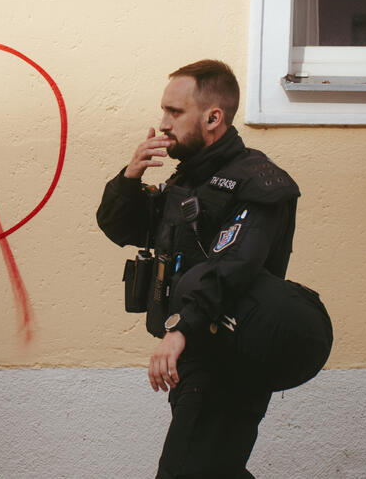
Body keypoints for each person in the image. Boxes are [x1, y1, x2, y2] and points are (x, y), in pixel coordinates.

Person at [96, 60, 304, 478]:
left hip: (234, 358)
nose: (163, 123)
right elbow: (122, 227)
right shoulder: (188, 180)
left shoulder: (258, 182)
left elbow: (235, 265)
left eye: (175, 112)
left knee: (186, 471)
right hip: (195, 356)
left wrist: (180, 330)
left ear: (213, 118)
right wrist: (129, 177)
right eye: (164, 111)